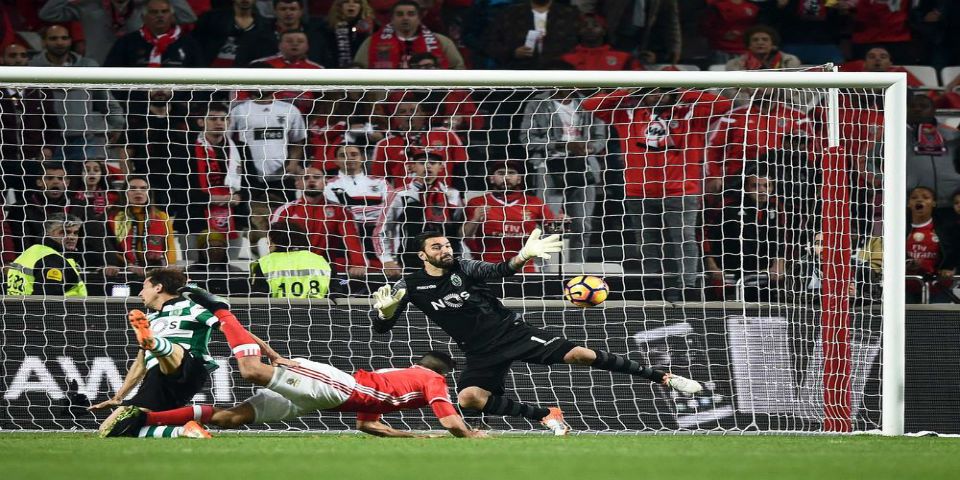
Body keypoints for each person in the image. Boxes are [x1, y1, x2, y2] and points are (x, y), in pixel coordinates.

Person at [370, 229, 703, 435]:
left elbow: (499, 270)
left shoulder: (464, 267)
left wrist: (523, 256)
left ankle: (664, 377)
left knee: (580, 355)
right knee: (469, 399)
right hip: (478, 351)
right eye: (437, 247)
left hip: (511, 332)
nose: (445, 251)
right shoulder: (408, 286)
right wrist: (383, 314)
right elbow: (383, 330)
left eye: (446, 245)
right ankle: (546, 415)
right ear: (422, 254)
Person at [102, 339, 484, 438]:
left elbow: (367, 425)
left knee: (232, 418)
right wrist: (469, 435)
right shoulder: (432, 379)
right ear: (445, 375)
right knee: (253, 371)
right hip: (336, 387)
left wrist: (414, 438)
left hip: (317, 401)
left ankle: (143, 417)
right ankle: (223, 314)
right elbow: (451, 421)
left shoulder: (397, 381)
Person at [89, 268, 249, 439]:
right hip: (157, 381)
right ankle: (183, 430)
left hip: (190, 366)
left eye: (144, 287)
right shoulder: (149, 319)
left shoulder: (191, 307)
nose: (140, 293)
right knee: (109, 430)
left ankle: (156, 344)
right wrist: (118, 397)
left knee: (171, 350)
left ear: (158, 288)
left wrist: (269, 352)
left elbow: (233, 329)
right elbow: (140, 364)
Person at [520, 88, 605, 262]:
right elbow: (526, 138)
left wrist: (589, 148)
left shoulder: (589, 104)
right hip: (549, 166)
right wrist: (561, 146)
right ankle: (545, 267)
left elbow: (600, 137)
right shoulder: (537, 103)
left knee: (583, 224)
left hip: (584, 165)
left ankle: (576, 268)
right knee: (548, 222)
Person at [28, 25, 124, 164]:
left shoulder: (87, 66)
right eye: (54, 38)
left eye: (64, 38)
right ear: (44, 42)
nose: (60, 42)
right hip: (47, 143)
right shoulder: (31, 68)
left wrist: (117, 125)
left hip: (84, 141)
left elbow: (106, 101)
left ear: (70, 41)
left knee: (82, 185)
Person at [375, 148, 463, 278]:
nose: (427, 166)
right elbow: (381, 230)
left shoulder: (453, 195)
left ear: (441, 167)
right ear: (413, 167)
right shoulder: (400, 195)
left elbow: (459, 231)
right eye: (422, 162)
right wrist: (387, 259)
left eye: (433, 162)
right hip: (411, 260)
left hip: (447, 261)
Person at [270, 167, 367, 278]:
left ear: (325, 182)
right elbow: (273, 241)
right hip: (292, 270)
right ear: (297, 184)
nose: (311, 180)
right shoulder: (285, 211)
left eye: (316, 177)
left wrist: (358, 264)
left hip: (326, 269)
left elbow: (351, 238)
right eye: (306, 178)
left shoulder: (340, 211)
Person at [463, 161, 557, 273]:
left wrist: (560, 223)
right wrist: (475, 219)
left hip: (524, 269)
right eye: (501, 173)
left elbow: (553, 231)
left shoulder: (534, 203)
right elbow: (464, 236)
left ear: (519, 179)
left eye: (511, 173)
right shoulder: (477, 202)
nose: (506, 177)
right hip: (488, 268)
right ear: (491, 178)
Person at [38, 0, 197, 65]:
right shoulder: (89, 6)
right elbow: (48, 14)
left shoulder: (144, 8)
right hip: (97, 66)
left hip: (135, 68)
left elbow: (187, 16)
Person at [324, 144, 391, 270]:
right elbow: (340, 215)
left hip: (380, 240)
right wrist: (377, 209)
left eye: (354, 154)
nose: (349, 158)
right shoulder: (327, 185)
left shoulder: (380, 182)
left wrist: (353, 209)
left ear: (363, 157)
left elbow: (390, 211)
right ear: (336, 161)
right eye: (343, 156)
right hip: (345, 243)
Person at [353, 0, 464, 69]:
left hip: (431, 99)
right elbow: (358, 69)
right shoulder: (371, 42)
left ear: (419, 18)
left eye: (411, 14)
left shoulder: (441, 42)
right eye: (400, 14)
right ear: (391, 18)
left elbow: (458, 68)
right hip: (384, 100)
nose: (405, 18)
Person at [107, 176, 178, 279]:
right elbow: (111, 248)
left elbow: (169, 246)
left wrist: (170, 264)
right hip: (123, 270)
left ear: (148, 193)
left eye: (143, 188)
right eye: (132, 188)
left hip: (155, 270)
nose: (138, 192)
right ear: (125, 193)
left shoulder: (161, 216)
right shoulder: (113, 217)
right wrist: (129, 265)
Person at [103, 0, 205, 69]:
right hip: (136, 100)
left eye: (164, 11)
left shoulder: (188, 44)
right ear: (144, 18)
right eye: (153, 12)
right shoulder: (126, 43)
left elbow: (202, 78)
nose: (160, 15)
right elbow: (109, 76)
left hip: (177, 100)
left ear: (173, 17)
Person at [5, 213, 87, 297]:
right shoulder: (53, 260)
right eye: (65, 232)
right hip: (62, 309)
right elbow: (48, 302)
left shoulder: (32, 251)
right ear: (48, 233)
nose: (72, 237)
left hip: (16, 307)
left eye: (75, 233)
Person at [483, 0, 580, 70]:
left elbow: (580, 43)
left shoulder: (569, 13)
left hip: (560, 72)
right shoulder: (510, 13)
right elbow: (490, 43)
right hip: (519, 73)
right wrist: (513, 52)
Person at [235, 0, 334, 67]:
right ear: (275, 11)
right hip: (266, 89)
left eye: (292, 9)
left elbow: (325, 63)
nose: (288, 13)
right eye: (283, 9)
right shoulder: (255, 35)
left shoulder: (316, 36)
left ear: (301, 11)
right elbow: (242, 63)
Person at [905, 186, 958, 304]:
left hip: (938, 289)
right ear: (909, 203)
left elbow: (954, 253)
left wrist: (948, 269)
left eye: (925, 197)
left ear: (934, 203)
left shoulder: (945, 229)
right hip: (905, 290)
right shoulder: (900, 229)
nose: (919, 200)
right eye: (914, 198)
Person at [250, 223, 332, 298]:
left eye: (270, 241)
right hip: (318, 313)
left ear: (276, 241)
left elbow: (258, 301)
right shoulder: (323, 262)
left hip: (279, 313)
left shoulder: (265, 263)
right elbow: (336, 295)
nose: (268, 244)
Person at [193, 0, 267, 68]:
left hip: (245, 74)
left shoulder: (264, 26)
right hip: (210, 71)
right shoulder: (212, 18)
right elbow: (195, 45)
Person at [724, 25, 801, 71]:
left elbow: (802, 88)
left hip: (782, 98)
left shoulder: (789, 61)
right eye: (755, 40)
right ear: (749, 45)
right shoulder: (734, 64)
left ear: (773, 44)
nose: (760, 43)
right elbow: (729, 90)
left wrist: (787, 98)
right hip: (748, 98)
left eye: (765, 39)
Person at [326, 0, 376, 68]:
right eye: (346, 2)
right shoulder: (328, 29)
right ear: (339, 6)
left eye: (356, 2)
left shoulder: (373, 28)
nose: (351, 5)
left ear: (361, 7)